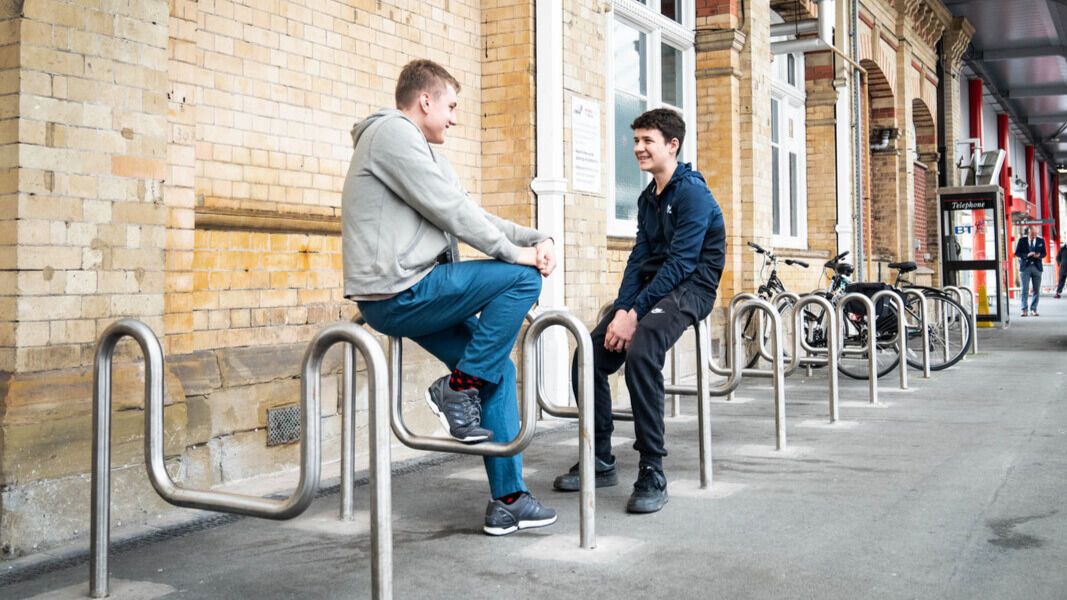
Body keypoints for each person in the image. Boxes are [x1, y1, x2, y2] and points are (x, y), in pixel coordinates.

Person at [342, 59, 558, 536]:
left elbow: (469, 210)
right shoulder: (393, 134)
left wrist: (536, 237)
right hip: (400, 291)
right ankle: (458, 390)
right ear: (425, 100)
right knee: (521, 281)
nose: (455, 119)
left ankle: (509, 501)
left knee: (497, 369)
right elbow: (453, 212)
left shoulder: (425, 150)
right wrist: (520, 258)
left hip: (418, 290)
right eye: (451, 106)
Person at [553, 108, 726, 514]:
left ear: (672, 145)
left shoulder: (693, 194)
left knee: (643, 350)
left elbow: (683, 264)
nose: (638, 148)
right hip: (654, 291)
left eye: (648, 140)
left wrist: (636, 316)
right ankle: (599, 457)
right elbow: (639, 260)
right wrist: (623, 309)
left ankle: (652, 469)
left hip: (692, 289)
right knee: (589, 355)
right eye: (636, 141)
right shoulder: (649, 198)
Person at [1013, 225, 1046, 316]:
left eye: (1036, 233)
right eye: (1033, 233)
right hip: (1025, 268)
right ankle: (1024, 309)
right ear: (1029, 232)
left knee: (1036, 290)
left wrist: (1038, 255)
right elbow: (1017, 253)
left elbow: (1044, 253)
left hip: (1037, 267)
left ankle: (1033, 309)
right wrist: (1027, 255)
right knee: (1025, 289)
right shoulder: (1022, 241)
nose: (1035, 235)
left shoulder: (1041, 241)